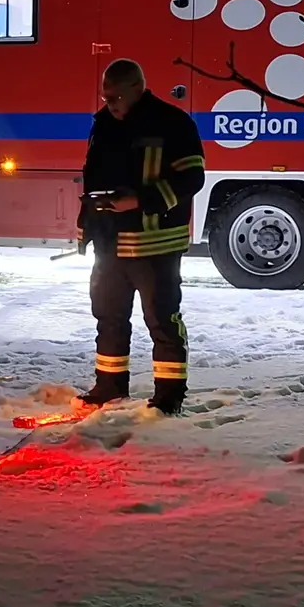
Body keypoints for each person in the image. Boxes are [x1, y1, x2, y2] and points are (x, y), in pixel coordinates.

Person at [76, 59, 206, 415]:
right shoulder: (102, 123)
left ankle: (168, 396)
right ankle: (109, 386)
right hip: (109, 244)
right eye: (105, 97)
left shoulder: (173, 123)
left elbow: (192, 178)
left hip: (156, 245)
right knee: (108, 317)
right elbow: (92, 174)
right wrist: (86, 222)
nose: (110, 104)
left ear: (138, 87)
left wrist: (140, 201)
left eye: (116, 96)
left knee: (162, 320)